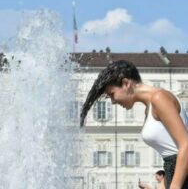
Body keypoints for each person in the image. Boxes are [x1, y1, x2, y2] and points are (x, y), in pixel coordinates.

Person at [80, 60, 188, 189]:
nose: (113, 102)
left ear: (126, 83)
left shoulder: (159, 98)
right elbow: (171, 153)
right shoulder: (149, 107)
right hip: (176, 174)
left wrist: (175, 186)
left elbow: (186, 144)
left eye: (112, 94)